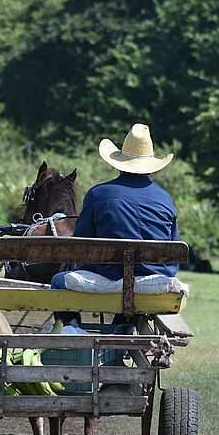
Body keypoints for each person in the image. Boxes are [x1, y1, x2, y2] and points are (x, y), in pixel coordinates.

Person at [51, 123, 179, 325]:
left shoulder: (98, 194)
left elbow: (81, 245)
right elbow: (173, 252)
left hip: (110, 279)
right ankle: (122, 329)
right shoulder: (165, 199)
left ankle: (73, 329)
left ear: (120, 162)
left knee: (58, 281)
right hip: (156, 280)